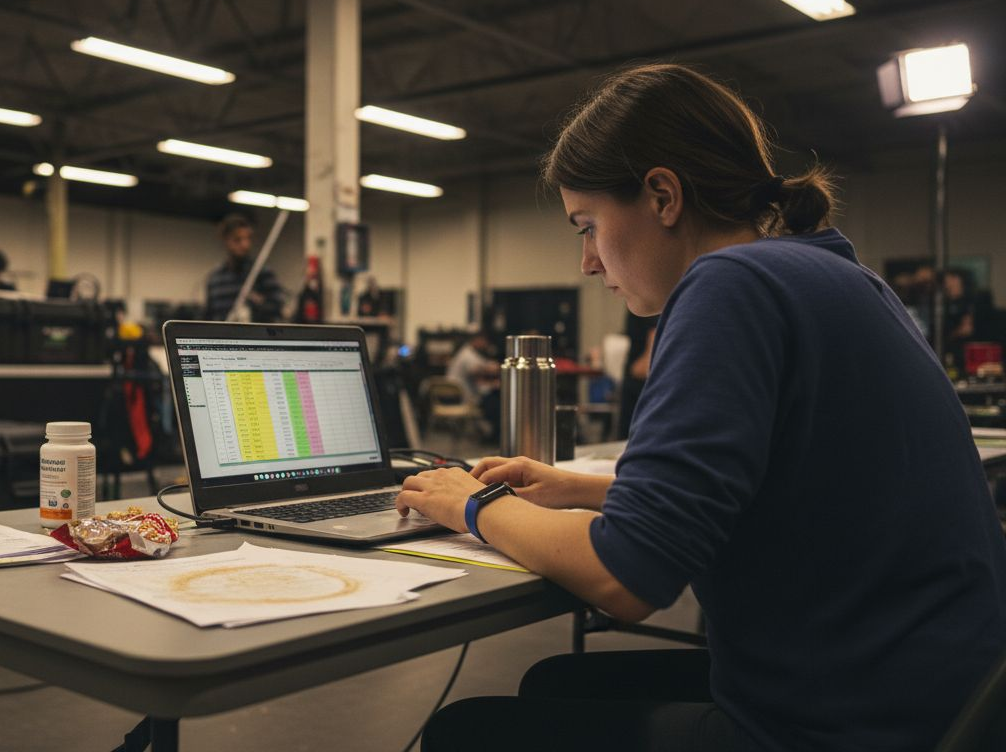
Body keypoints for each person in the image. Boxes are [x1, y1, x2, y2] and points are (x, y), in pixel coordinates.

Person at [396, 64, 1006, 752]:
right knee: (555, 684)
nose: (588, 263)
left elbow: (626, 576)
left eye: (587, 226)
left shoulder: (730, 284)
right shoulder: (835, 273)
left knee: (465, 733)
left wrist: (468, 505)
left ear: (662, 195)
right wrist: (581, 488)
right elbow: (791, 484)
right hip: (943, 706)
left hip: (847, 727)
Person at [203, 214, 286, 322]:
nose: (245, 245)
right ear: (225, 240)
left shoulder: (263, 273)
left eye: (248, 239)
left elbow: (278, 309)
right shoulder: (215, 279)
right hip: (224, 337)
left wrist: (258, 302)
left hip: (255, 337)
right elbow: (208, 317)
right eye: (238, 240)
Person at [616, 312, 656, 439]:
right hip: (636, 380)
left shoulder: (648, 303)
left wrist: (638, 369)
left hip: (640, 384)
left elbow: (647, 364)